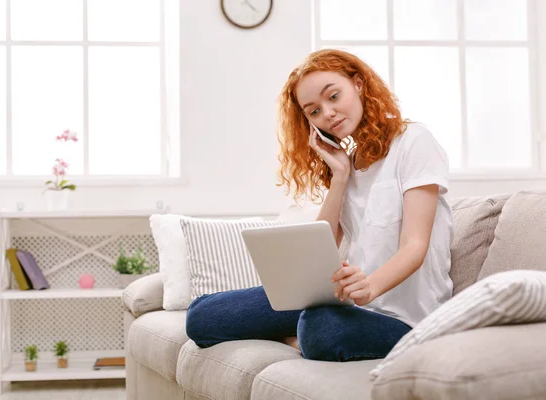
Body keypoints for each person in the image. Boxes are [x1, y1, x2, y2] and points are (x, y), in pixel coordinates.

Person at [185, 49, 453, 362]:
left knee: (320, 328)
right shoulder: (348, 164)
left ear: (358, 84)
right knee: (202, 316)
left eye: (334, 96)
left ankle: (297, 337)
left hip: (407, 322)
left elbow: (415, 246)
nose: (327, 113)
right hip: (352, 305)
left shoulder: (413, 141)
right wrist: (340, 176)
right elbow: (322, 246)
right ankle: (298, 335)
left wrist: (369, 286)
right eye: (313, 111)